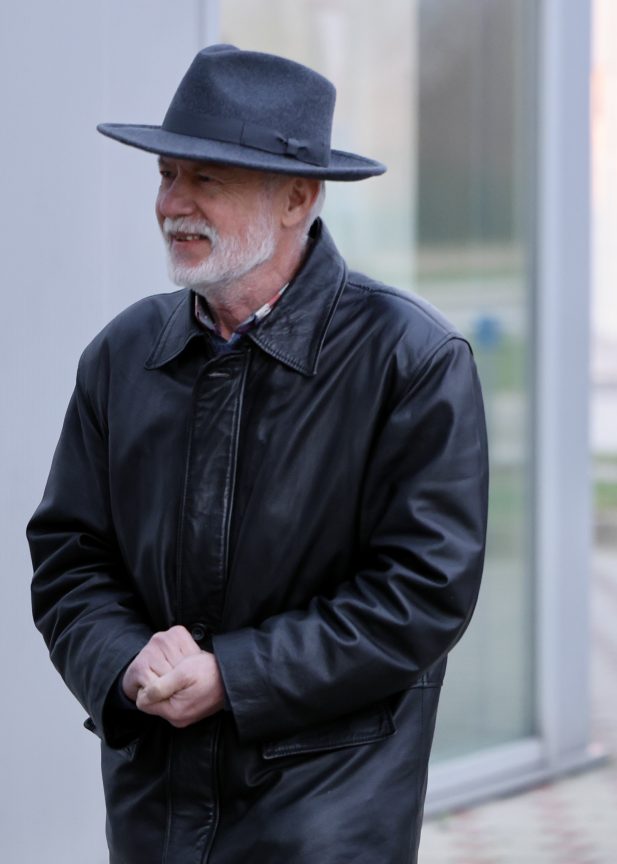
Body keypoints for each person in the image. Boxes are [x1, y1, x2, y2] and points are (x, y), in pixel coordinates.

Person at [28, 45, 488, 862]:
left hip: (327, 823)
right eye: (167, 174)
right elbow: (70, 558)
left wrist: (233, 677)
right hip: (155, 817)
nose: (173, 203)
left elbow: (421, 593)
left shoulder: (410, 359)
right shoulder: (123, 354)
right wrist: (127, 663)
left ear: (298, 198)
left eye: (206, 179)